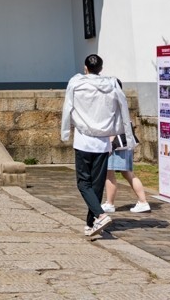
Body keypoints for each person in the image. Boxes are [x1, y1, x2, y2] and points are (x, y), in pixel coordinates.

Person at [61, 54, 134, 238]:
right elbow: (123, 108)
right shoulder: (111, 86)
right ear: (101, 69)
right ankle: (90, 222)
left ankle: (100, 215)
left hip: (84, 139)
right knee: (97, 184)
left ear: (85, 67)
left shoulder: (77, 84)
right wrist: (125, 132)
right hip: (102, 141)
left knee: (83, 183)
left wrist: (65, 132)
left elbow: (67, 107)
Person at [102, 79, 150, 214]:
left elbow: (112, 125)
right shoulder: (121, 99)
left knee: (110, 173)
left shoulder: (111, 102)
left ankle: (110, 203)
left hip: (116, 143)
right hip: (124, 141)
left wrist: (110, 144)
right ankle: (142, 201)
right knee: (127, 173)